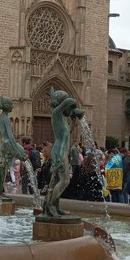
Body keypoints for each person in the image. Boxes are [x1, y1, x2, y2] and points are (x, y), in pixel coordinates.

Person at [41, 88, 83, 217]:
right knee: (65, 180)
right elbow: (70, 101)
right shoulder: (56, 113)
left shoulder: (63, 119)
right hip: (59, 152)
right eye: (67, 106)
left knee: (56, 182)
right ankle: (50, 205)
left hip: (63, 152)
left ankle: (55, 206)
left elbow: (67, 133)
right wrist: (74, 107)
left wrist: (74, 121)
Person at [0, 96, 27, 198]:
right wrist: (18, 151)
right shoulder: (6, 119)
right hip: (4, 145)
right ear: (6, 106)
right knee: (3, 169)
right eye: (11, 105)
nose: (12, 107)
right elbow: (10, 137)